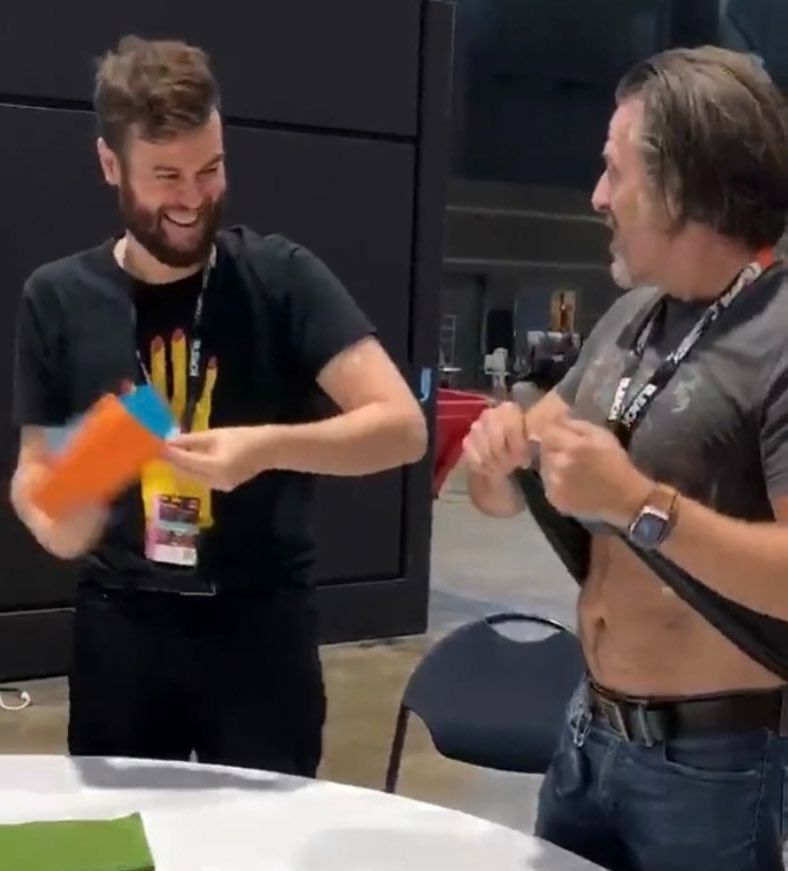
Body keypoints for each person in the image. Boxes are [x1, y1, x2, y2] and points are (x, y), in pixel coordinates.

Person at [10, 36, 427, 777]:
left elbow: (400, 427)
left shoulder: (279, 276)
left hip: (260, 623)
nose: (193, 199)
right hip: (123, 627)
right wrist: (64, 509)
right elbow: (38, 476)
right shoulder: (58, 296)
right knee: (127, 835)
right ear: (110, 165)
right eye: (165, 175)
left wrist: (264, 448)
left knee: (263, 844)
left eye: (211, 169)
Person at [463, 46, 788, 871]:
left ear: (679, 183)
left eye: (615, 172)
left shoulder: (779, 335)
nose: (598, 197)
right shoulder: (634, 317)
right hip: (588, 735)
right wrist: (498, 456)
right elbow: (511, 487)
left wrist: (641, 500)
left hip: (712, 766)